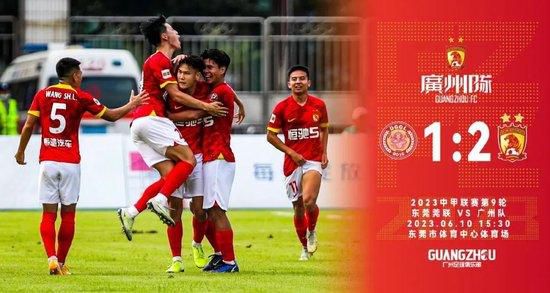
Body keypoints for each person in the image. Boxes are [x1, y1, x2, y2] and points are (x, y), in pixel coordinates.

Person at [14, 57, 149, 275]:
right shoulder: (81, 97)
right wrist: (132, 104)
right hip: (70, 163)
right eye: (80, 74)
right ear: (75, 75)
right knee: (68, 216)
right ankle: (62, 262)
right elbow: (112, 116)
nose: (82, 77)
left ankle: (51, 258)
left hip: (47, 162)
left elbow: (29, 124)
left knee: (48, 215)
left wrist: (20, 151)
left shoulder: (43, 94)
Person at [117, 15, 228, 232]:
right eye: (173, 30)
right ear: (164, 36)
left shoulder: (162, 62)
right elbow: (175, 94)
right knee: (189, 160)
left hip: (140, 125)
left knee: (170, 177)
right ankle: (160, 200)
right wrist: (206, 107)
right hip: (152, 118)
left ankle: (131, 211)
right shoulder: (158, 60)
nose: (177, 33)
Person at [266, 65, 329, 261]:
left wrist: (324, 152)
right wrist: (291, 152)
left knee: (309, 200)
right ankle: (304, 247)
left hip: (313, 159)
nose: (298, 82)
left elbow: (324, 129)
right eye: (294, 79)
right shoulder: (282, 108)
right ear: (289, 83)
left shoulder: (319, 105)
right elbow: (270, 136)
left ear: (308, 82)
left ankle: (311, 231)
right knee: (297, 206)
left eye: (302, 78)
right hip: (292, 163)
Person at [199, 49, 239, 273]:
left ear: (222, 70)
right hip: (208, 157)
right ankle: (220, 255)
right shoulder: (213, 90)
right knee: (203, 212)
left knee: (216, 210)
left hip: (219, 156)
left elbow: (201, 109)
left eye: (210, 67)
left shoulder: (220, 92)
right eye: (204, 67)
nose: (206, 71)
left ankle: (230, 262)